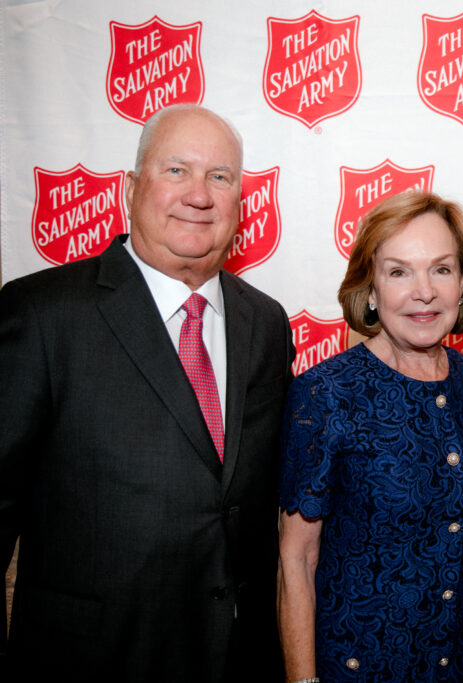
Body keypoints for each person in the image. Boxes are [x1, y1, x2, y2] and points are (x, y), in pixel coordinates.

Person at [0, 104, 294, 681]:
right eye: (177, 170)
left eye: (220, 177)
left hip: (237, 659)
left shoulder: (266, 323)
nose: (199, 195)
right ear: (131, 188)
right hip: (89, 659)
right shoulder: (41, 313)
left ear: (241, 202)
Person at [277, 191, 463, 682]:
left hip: (462, 662)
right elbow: (296, 557)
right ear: (371, 290)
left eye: (441, 269)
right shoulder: (326, 392)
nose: (424, 292)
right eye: (399, 271)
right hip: (358, 667)